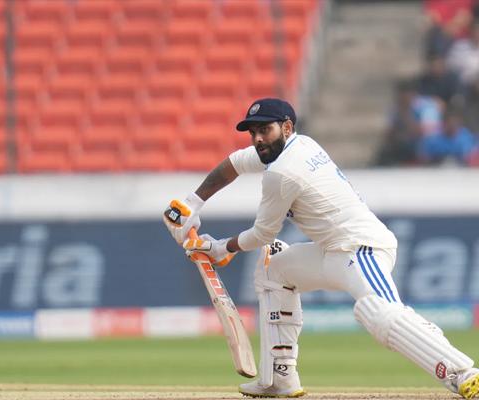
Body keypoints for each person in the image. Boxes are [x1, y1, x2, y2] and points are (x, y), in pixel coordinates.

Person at [162, 98, 479, 399]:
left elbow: (263, 232)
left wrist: (219, 248)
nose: (258, 139)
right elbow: (232, 164)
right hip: (332, 252)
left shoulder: (283, 172)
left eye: (265, 130)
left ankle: (463, 375)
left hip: (361, 249)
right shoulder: (296, 145)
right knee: (274, 271)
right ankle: (279, 378)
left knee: (377, 312)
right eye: (254, 132)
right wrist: (192, 203)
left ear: (286, 127)